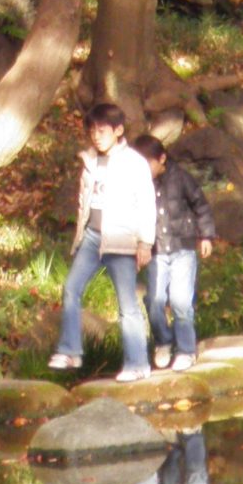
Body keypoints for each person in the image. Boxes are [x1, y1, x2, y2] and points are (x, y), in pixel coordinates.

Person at [49, 101, 157, 383]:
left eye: (102, 130)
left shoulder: (134, 163)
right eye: (92, 130)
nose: (96, 135)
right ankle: (71, 350)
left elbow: (146, 204)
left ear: (118, 130)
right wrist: (81, 234)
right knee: (71, 288)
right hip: (92, 237)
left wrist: (145, 243)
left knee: (127, 305)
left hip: (121, 241)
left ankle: (137, 363)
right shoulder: (89, 160)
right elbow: (85, 201)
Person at [136, 135, 217, 370]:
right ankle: (163, 341)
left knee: (181, 301)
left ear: (161, 159)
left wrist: (206, 236)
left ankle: (186, 350)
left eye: (148, 164)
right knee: (154, 300)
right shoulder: (139, 185)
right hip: (156, 251)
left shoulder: (181, 178)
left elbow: (201, 206)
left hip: (183, 250)